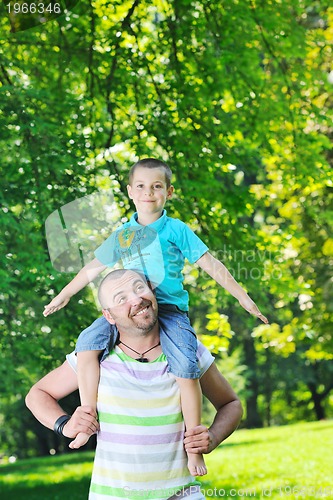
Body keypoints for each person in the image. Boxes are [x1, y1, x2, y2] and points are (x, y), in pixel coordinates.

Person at [43, 158, 267, 476]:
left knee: (186, 365)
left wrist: (244, 297)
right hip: (129, 313)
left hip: (169, 311)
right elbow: (92, 267)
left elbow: (211, 264)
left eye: (157, 186)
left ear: (168, 192)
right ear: (130, 192)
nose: (149, 192)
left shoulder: (176, 230)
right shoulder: (124, 234)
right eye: (142, 186)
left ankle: (194, 449)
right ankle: (87, 418)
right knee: (87, 342)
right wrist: (64, 294)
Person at [27, 269, 243, 499]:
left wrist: (213, 437)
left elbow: (231, 403)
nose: (136, 299)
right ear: (108, 316)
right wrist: (65, 425)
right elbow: (37, 394)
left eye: (140, 288)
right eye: (121, 298)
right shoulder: (95, 356)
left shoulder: (186, 352)